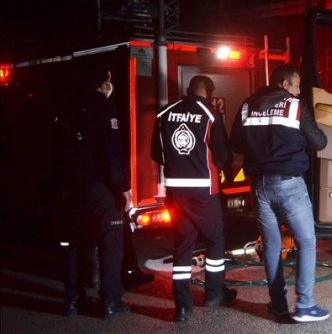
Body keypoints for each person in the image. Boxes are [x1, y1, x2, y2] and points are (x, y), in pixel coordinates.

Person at [229, 65, 329, 322]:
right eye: (296, 85)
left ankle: (279, 305)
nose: (298, 91)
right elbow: (319, 142)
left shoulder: (247, 104)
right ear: (284, 84)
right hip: (289, 184)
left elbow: (236, 144)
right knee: (306, 242)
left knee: (272, 246)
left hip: (260, 186)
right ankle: (305, 305)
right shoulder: (295, 106)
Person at [151, 75, 237, 323]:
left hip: (177, 192)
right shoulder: (210, 113)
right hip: (204, 192)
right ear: (210, 92)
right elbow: (221, 155)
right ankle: (214, 293)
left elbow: (157, 152)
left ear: (188, 90)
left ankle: (182, 306)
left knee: (183, 245)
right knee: (215, 240)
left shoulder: (164, 113)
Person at [64, 65, 134, 318]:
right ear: (103, 85)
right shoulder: (104, 108)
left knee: (77, 243)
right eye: (109, 81)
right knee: (110, 244)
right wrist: (123, 188)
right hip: (102, 189)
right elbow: (111, 153)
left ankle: (72, 300)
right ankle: (111, 302)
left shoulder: (69, 110)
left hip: (74, 187)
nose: (110, 86)